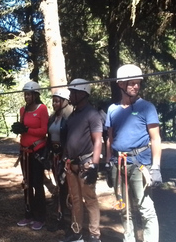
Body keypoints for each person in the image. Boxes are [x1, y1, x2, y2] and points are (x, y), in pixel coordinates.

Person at [105, 64, 162, 242]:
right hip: (118, 164)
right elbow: (109, 138)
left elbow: (156, 139)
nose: (136, 86)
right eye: (132, 83)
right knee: (123, 207)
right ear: (121, 85)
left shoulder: (146, 107)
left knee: (145, 208)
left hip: (140, 164)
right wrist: (108, 162)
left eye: (138, 83)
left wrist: (156, 167)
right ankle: (129, 239)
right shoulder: (112, 109)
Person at [60, 78, 103, 242]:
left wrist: (95, 165)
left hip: (86, 163)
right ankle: (77, 233)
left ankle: (94, 235)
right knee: (75, 200)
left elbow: (98, 140)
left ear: (83, 94)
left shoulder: (92, 114)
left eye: (73, 92)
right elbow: (70, 139)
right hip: (71, 164)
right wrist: (64, 158)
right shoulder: (73, 115)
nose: (71, 95)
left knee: (90, 199)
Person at [11, 81, 49, 231]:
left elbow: (43, 130)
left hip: (37, 151)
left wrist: (27, 129)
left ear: (35, 95)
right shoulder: (23, 110)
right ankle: (28, 214)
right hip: (24, 151)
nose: (26, 97)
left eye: (29, 94)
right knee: (26, 183)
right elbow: (24, 129)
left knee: (37, 184)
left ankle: (41, 217)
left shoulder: (42, 109)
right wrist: (19, 129)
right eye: (25, 94)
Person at [47, 88, 73, 231]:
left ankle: (69, 219)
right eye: (54, 101)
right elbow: (49, 136)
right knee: (60, 186)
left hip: (65, 156)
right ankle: (60, 216)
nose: (54, 104)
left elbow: (71, 137)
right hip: (55, 155)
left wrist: (66, 155)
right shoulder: (53, 117)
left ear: (64, 101)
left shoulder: (69, 115)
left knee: (66, 187)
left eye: (57, 101)